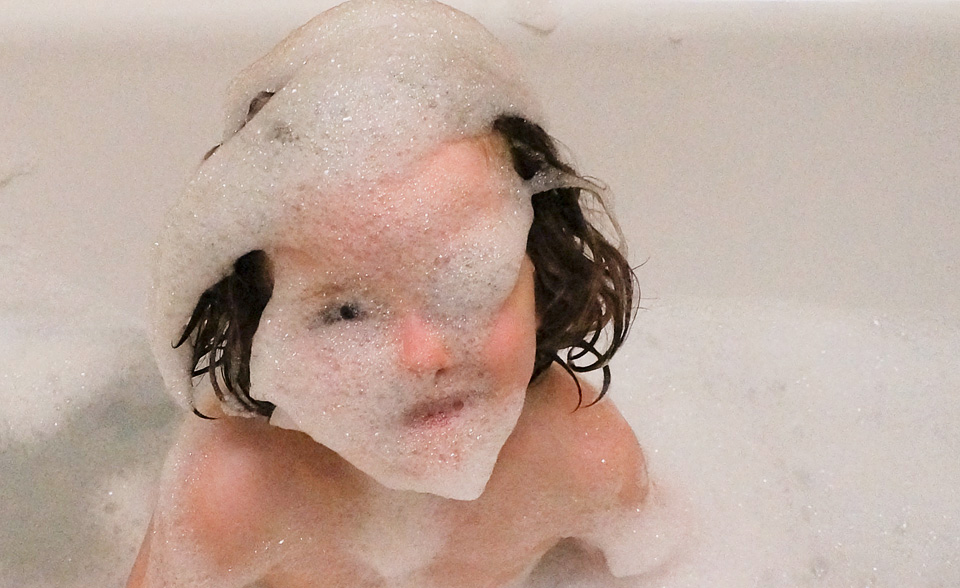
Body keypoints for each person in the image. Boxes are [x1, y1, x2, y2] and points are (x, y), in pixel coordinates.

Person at [130, 1, 679, 586]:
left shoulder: (582, 458)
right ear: (260, 329)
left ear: (543, 279)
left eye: (463, 284)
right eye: (345, 312)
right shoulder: (236, 496)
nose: (424, 356)